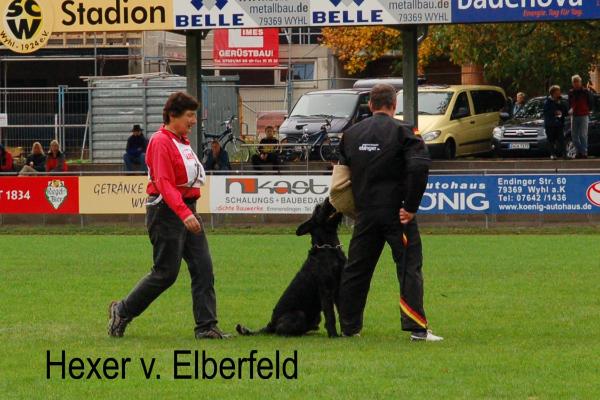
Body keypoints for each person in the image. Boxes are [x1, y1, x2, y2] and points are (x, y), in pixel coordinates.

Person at [108, 92, 230, 339]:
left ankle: (206, 327)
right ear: (173, 115)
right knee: (166, 273)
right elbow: (164, 182)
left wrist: (188, 210)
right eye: (189, 115)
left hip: (185, 210)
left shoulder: (181, 141)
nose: (194, 120)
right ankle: (122, 311)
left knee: (203, 267)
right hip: (166, 212)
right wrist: (184, 213)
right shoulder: (161, 141)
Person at [337, 84, 442, 342]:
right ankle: (416, 328)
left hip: (365, 214)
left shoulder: (350, 134)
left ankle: (349, 327)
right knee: (408, 267)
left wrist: (352, 208)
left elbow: (339, 177)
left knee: (357, 270)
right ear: (394, 105)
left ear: (370, 105)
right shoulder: (404, 131)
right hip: (398, 214)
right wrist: (411, 206)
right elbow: (419, 166)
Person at [569, 74, 593, 159]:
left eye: (577, 82)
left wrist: (587, 110)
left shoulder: (585, 91)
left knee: (583, 135)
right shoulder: (571, 92)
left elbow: (590, 102)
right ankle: (580, 151)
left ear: (580, 82)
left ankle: (583, 153)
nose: (576, 83)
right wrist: (570, 109)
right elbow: (570, 103)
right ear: (572, 83)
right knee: (574, 136)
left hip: (583, 115)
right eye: (574, 82)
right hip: (574, 116)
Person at [544, 85, 569, 160]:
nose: (560, 93)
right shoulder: (547, 102)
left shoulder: (561, 101)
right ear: (553, 93)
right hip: (550, 124)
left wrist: (560, 105)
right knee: (551, 140)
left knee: (561, 139)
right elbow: (547, 112)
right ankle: (552, 154)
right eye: (558, 92)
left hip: (559, 124)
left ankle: (564, 154)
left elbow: (565, 111)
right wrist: (555, 112)